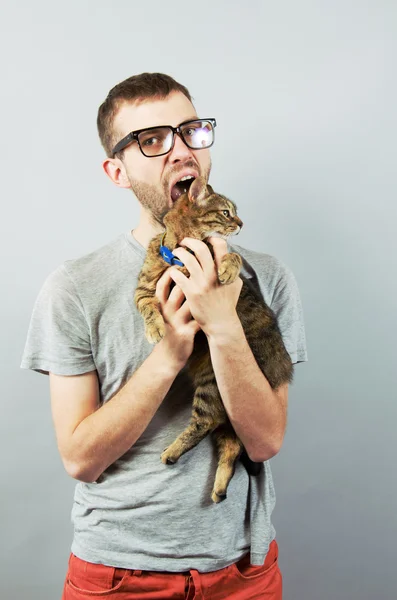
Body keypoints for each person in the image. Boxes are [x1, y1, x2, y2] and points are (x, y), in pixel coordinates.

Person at [21, 72, 308, 600]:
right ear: (117, 171)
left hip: (243, 575)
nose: (180, 150)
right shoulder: (74, 287)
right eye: (151, 140)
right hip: (116, 578)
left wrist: (222, 324)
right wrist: (171, 350)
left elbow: (265, 441)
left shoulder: (267, 277)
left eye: (191, 130)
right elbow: (80, 458)